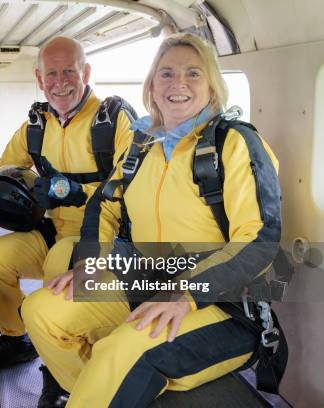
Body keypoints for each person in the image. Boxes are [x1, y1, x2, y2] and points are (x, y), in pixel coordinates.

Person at [21, 32, 286, 407]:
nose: (178, 83)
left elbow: (260, 238)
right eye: (166, 73)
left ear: (211, 84)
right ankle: (97, 394)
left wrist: (186, 294)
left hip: (223, 304)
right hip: (143, 279)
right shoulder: (141, 144)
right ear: (151, 85)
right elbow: (105, 205)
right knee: (41, 311)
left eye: (193, 73)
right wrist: (90, 263)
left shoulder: (234, 143)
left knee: (125, 350)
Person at [0, 36, 135, 378]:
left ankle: (62, 368)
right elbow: (0, 165)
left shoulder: (114, 119)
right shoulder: (36, 127)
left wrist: (78, 192)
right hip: (52, 233)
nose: (60, 83)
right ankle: (16, 339)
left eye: (69, 71)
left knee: (59, 262)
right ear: (39, 79)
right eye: (51, 74)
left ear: (85, 72)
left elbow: (131, 184)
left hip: (102, 241)